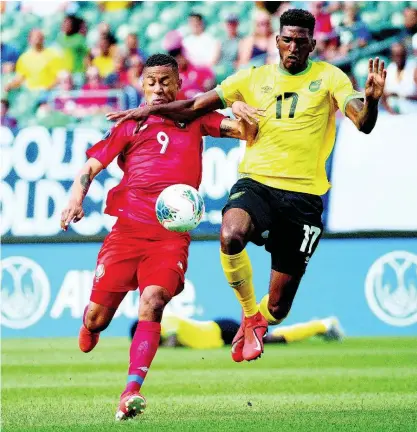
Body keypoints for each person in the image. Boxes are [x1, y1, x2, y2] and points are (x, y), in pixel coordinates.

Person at [106, 9, 386, 364]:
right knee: (231, 234)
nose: (293, 47)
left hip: (304, 197)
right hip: (257, 182)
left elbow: (362, 122)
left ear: (313, 44)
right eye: (287, 40)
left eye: (302, 41)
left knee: (280, 307)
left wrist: (372, 101)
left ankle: (258, 322)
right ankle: (249, 315)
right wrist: (146, 112)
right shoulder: (252, 77)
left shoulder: (331, 78)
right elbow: (194, 106)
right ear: (277, 41)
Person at [61, 54, 256, 421]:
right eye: (151, 82)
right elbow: (91, 165)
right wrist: (76, 199)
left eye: (166, 81)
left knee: (153, 301)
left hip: (170, 237)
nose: (158, 88)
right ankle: (90, 328)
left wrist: (241, 110)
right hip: (127, 233)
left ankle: (131, 390)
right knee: (97, 319)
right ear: (141, 84)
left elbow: (244, 131)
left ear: (179, 83)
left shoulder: (194, 118)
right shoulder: (131, 124)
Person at [130, 314, 344, 348]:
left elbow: (173, 336)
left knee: (267, 342)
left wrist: (167, 346)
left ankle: (323, 325)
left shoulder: (163, 322)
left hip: (223, 331)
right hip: (221, 331)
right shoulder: (162, 325)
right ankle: (321, 327)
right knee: (267, 340)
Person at [382, 42, 417, 114]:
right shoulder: (389, 69)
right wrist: (390, 111)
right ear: (392, 56)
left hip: (412, 112)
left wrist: (401, 96)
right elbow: (383, 96)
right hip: (393, 114)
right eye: (396, 55)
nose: (399, 58)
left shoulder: (413, 68)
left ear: (405, 54)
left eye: (401, 54)